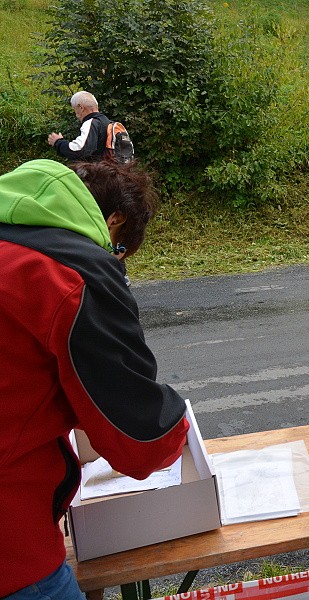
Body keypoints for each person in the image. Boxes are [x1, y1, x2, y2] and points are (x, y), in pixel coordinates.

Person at [0, 159, 190, 599]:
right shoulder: (69, 273)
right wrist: (177, 429)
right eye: (118, 249)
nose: (114, 258)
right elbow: (140, 439)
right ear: (113, 221)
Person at [47, 91, 114, 162]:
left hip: (97, 168)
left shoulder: (91, 123)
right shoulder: (109, 123)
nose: (76, 115)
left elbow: (80, 150)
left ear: (81, 107)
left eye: (74, 109)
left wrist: (58, 142)